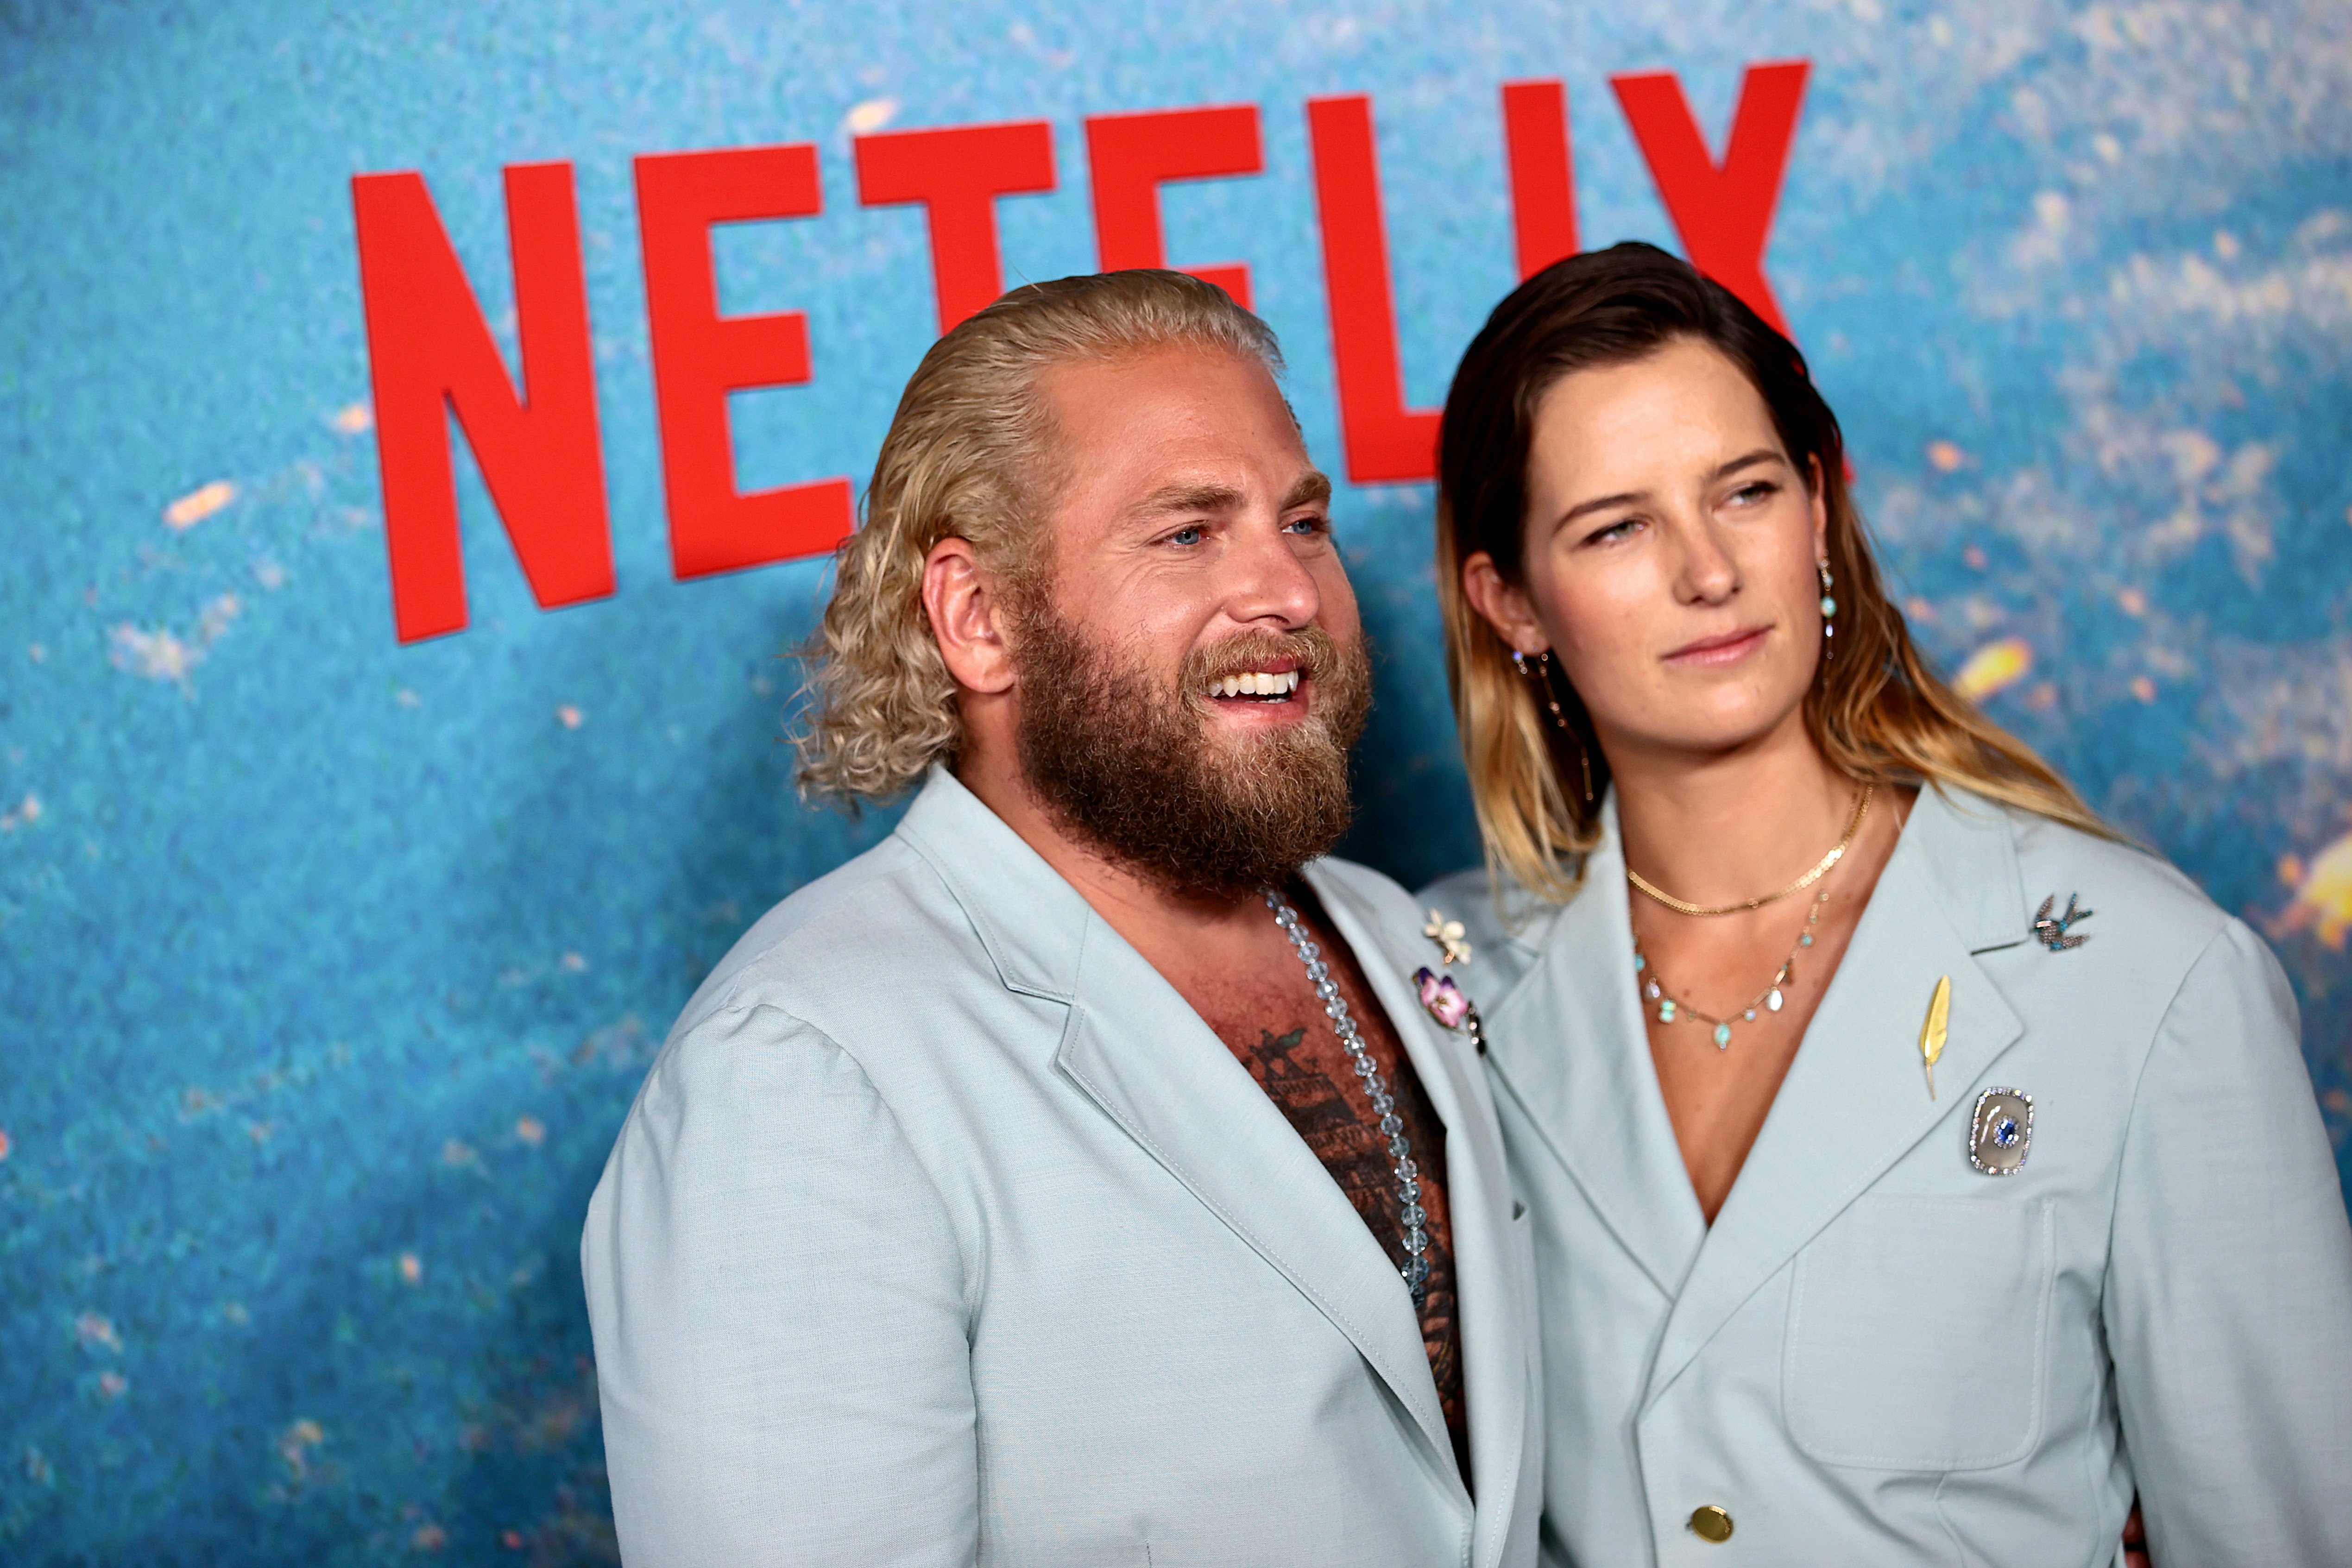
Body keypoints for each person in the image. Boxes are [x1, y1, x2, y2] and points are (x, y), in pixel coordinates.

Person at [580, 270, 1541, 1567]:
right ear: (978, 619)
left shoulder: (1382, 928)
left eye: (1301, 520)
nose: (1292, 590)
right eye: (1189, 533)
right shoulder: (805, 1076)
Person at [1419, 242, 2352, 1566]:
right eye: (1616, 526)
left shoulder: (2152, 978)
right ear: (1510, 599)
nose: (1706, 570)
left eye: (1742, 491)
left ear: (1815, 509)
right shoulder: (1439, 997)